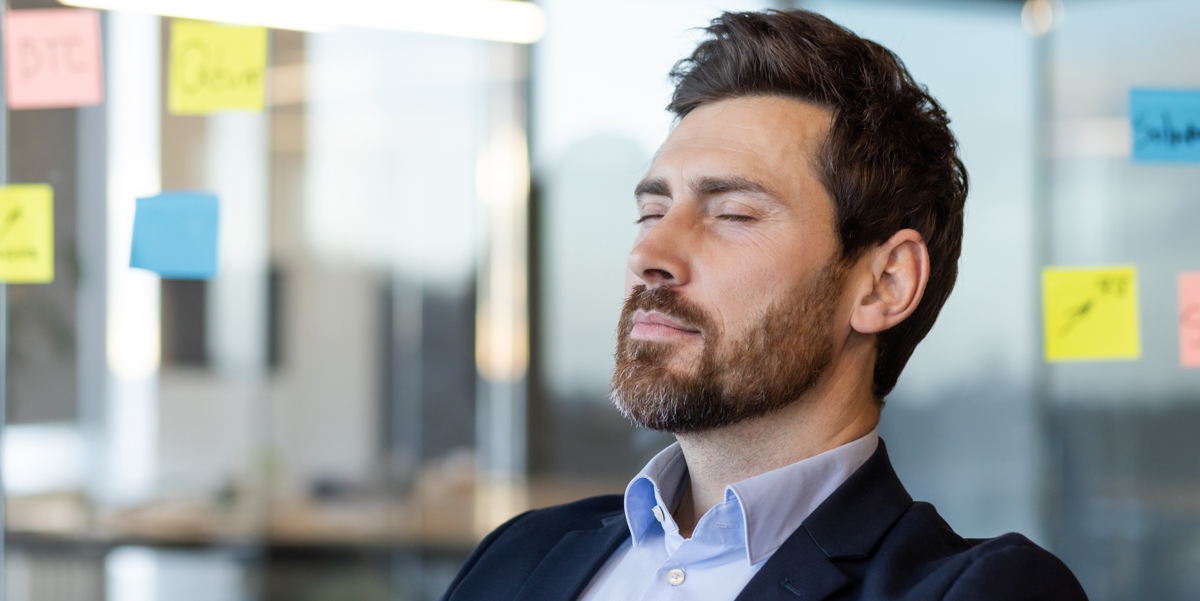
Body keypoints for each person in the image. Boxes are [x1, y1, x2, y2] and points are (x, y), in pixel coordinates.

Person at [441, 9, 1087, 601]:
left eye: (732, 213)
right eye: (651, 210)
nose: (649, 253)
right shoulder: (519, 553)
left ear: (884, 283)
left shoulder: (977, 589)